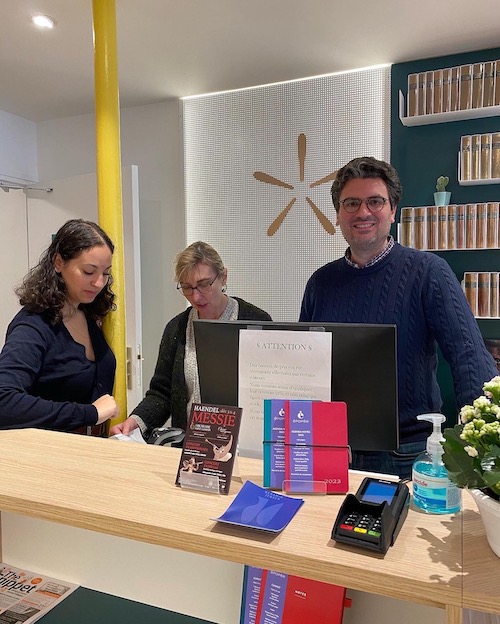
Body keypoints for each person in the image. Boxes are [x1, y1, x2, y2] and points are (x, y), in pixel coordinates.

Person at [299, 156, 498, 479]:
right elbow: (305, 367)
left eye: (375, 201)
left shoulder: (428, 272)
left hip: (408, 455)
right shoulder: (321, 283)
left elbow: (469, 357)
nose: (363, 212)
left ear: (392, 210)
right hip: (333, 450)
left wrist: (483, 446)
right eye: (351, 203)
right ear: (337, 215)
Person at [111, 241, 271, 439]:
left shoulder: (256, 321)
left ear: (223, 277)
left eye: (204, 285)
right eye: (187, 287)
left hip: (244, 445)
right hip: (192, 447)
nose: (196, 296)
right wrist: (137, 420)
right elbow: (162, 393)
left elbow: (268, 391)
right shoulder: (177, 328)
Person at [0, 218, 119, 431]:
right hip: (46, 454)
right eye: (89, 272)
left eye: (106, 273)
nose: (99, 282)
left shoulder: (88, 311)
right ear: (58, 263)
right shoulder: (33, 325)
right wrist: (90, 413)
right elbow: (4, 402)